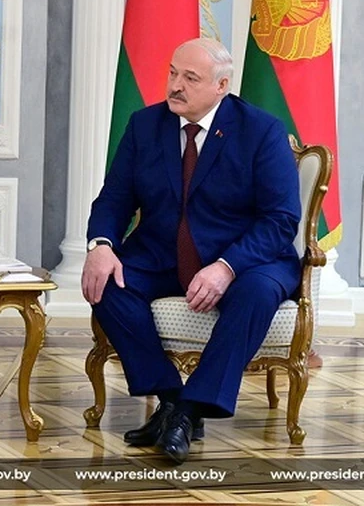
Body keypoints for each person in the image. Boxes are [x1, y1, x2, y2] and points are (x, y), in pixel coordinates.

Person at [82, 37, 301, 464]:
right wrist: (101, 244)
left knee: (256, 293)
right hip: (163, 254)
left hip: (248, 258)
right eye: (172, 73)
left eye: (190, 78)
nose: (175, 85)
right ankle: (172, 400)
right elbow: (114, 199)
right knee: (106, 283)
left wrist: (226, 266)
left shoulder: (261, 131)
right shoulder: (145, 125)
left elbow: (280, 219)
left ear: (221, 86)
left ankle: (190, 409)